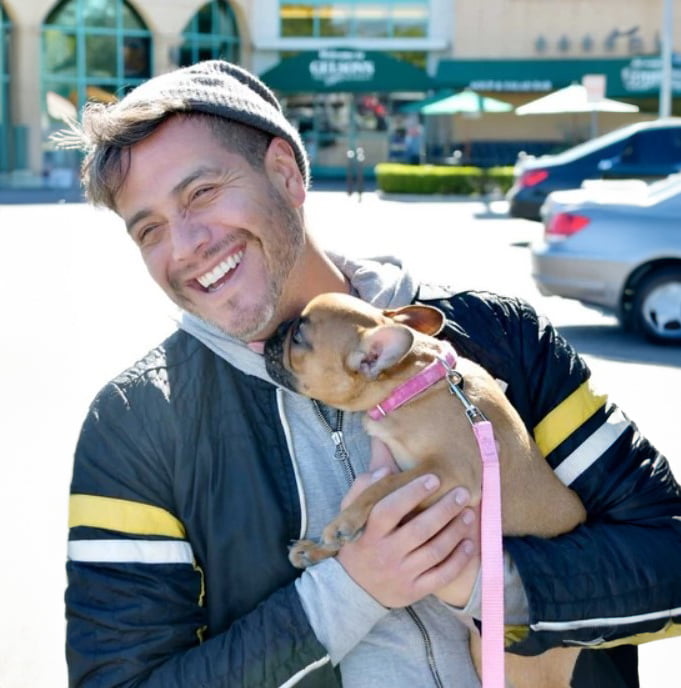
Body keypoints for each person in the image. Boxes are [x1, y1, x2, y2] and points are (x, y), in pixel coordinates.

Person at [64, 59, 681, 688]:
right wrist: (349, 589)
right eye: (149, 231)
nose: (186, 243)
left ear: (284, 173)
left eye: (201, 193)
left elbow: (669, 552)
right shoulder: (136, 424)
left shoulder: (501, 336)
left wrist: (490, 585)